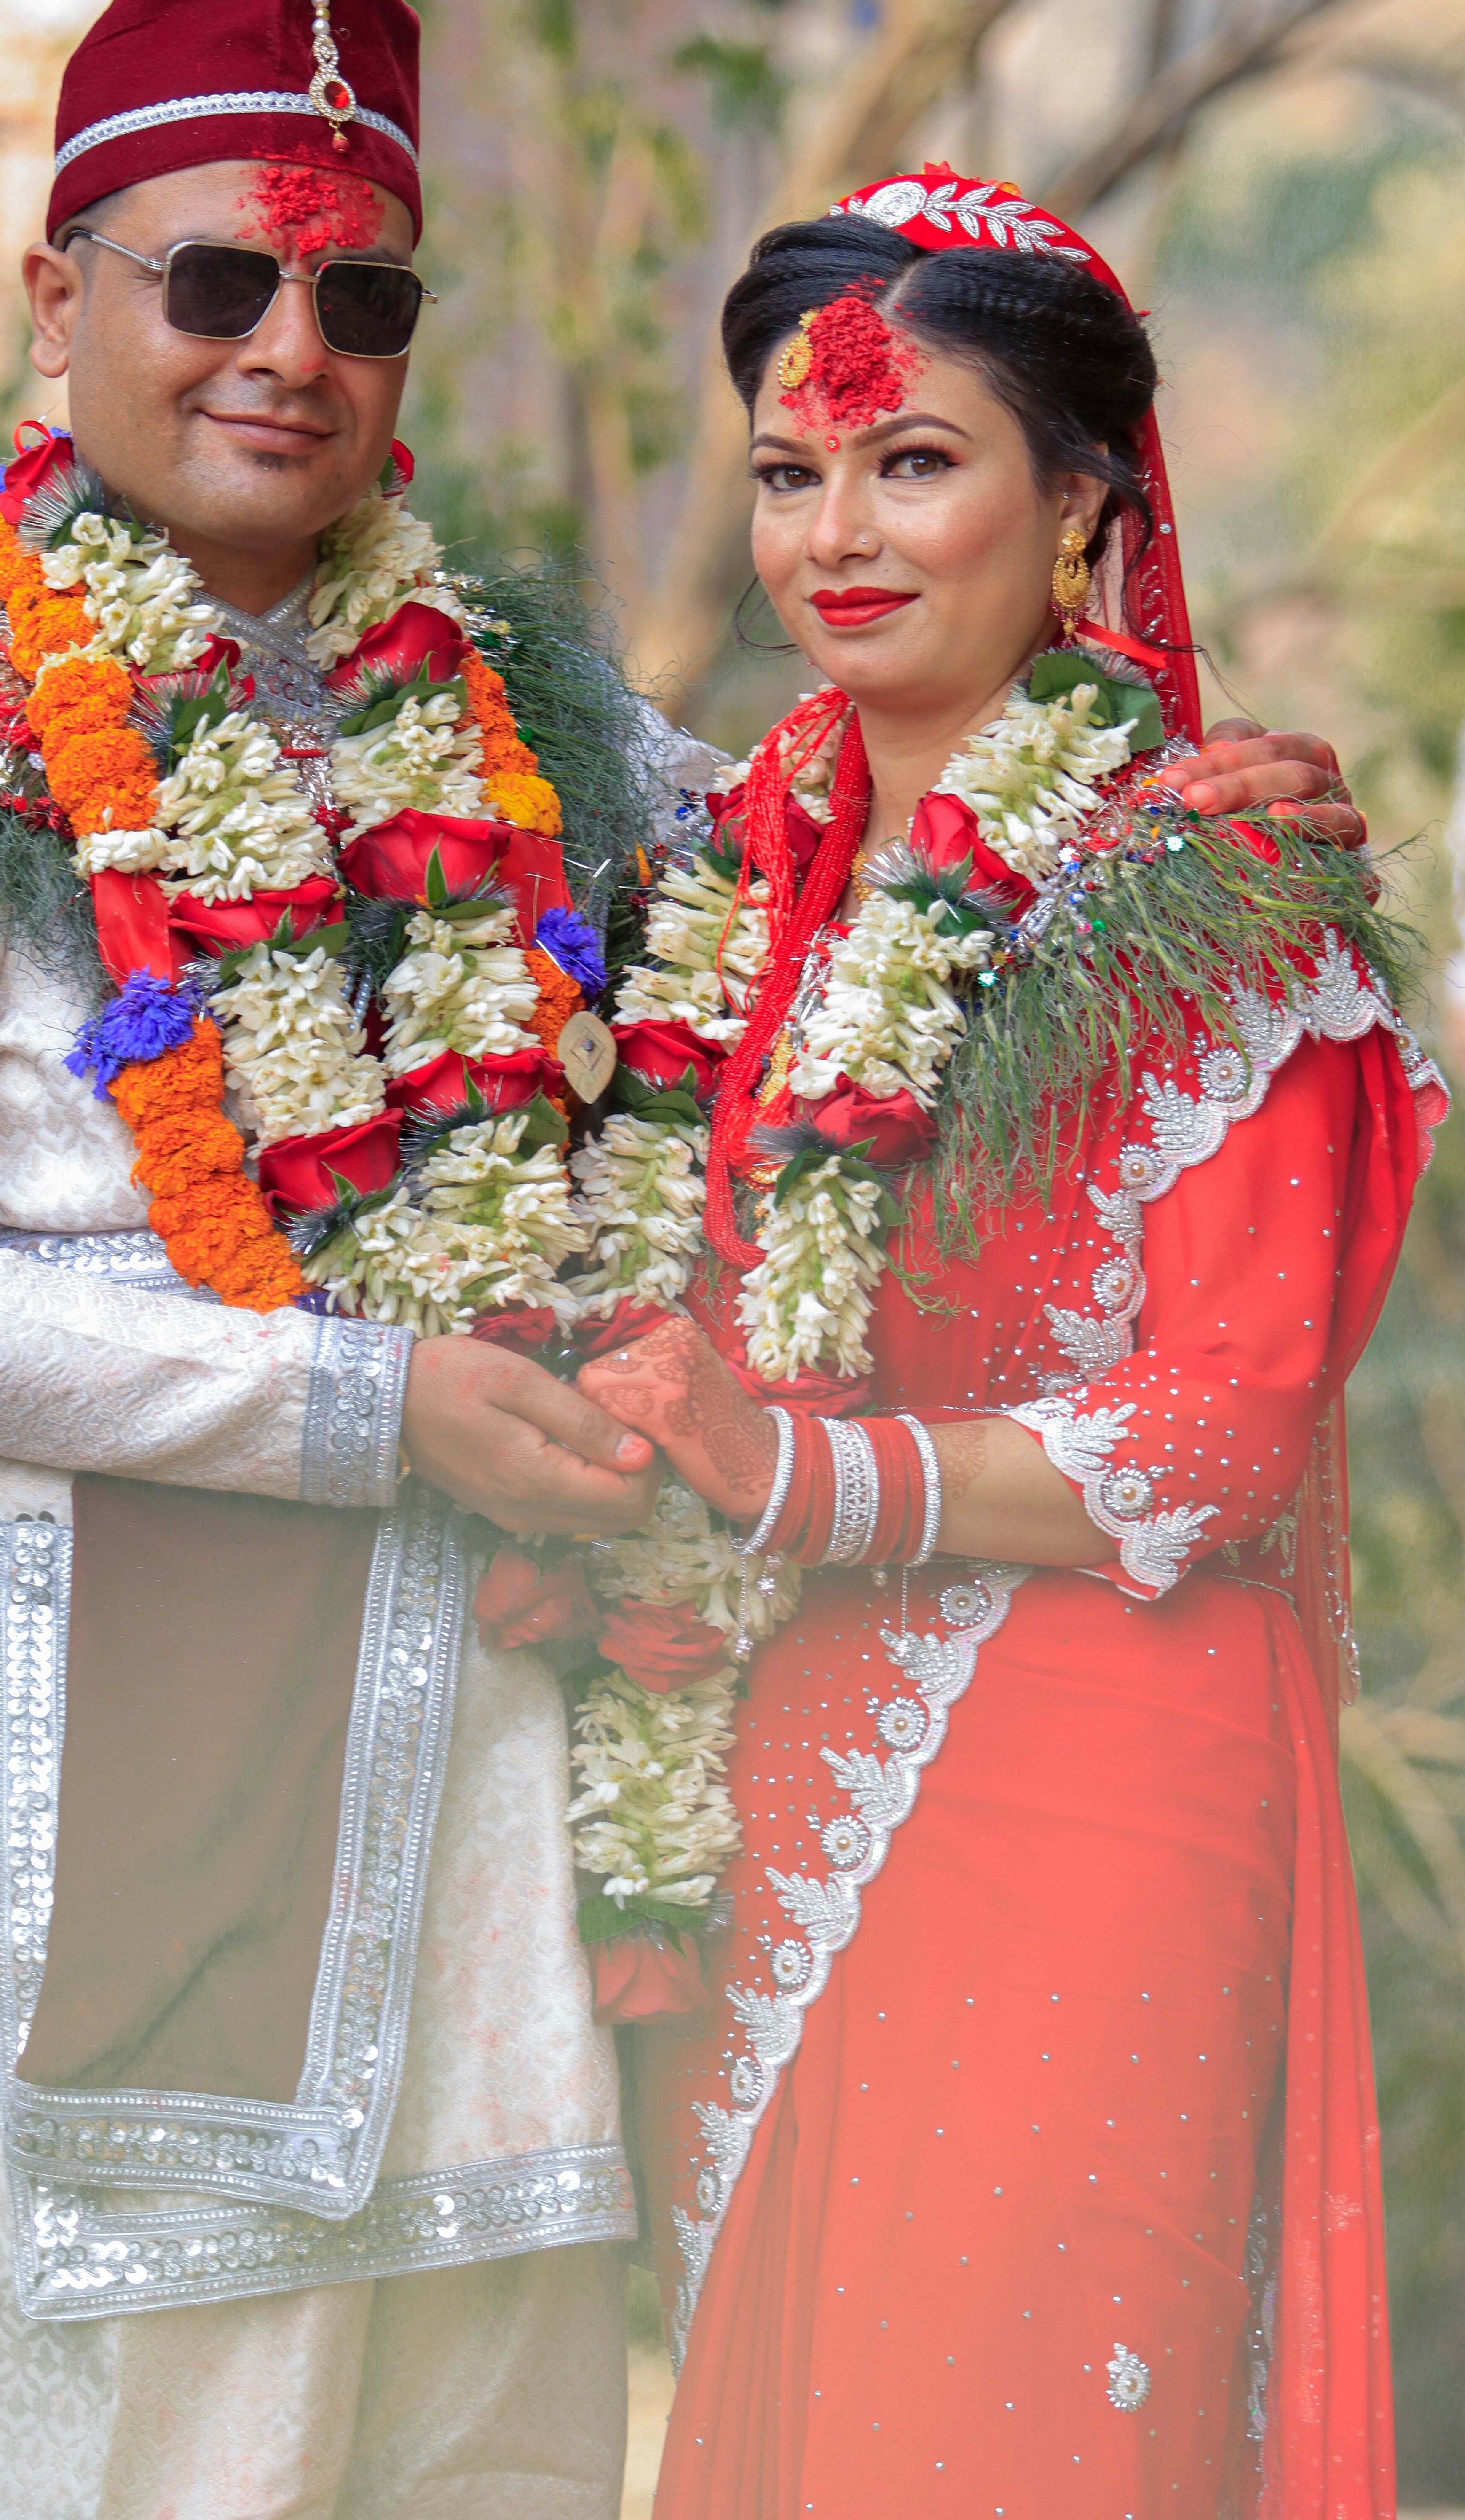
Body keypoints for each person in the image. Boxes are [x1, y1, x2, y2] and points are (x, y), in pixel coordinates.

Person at [0, 0, 1362, 2520]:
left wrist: (1144, 808)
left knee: (496, 2472)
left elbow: (855, 883)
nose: (283, 346)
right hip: (135, 1813)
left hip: (520, 1866)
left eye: (360, 289)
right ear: (51, 294)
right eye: (211, 274)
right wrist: (368, 1403)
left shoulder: (538, 732)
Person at [572, 167, 1443, 2520]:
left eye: (912, 459)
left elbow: (1225, 1425)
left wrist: (807, 1476)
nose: (835, 530)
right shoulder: (710, 869)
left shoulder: (1210, 886)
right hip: (753, 1772)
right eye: (788, 470)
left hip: (1091, 1792)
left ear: (1080, 504)